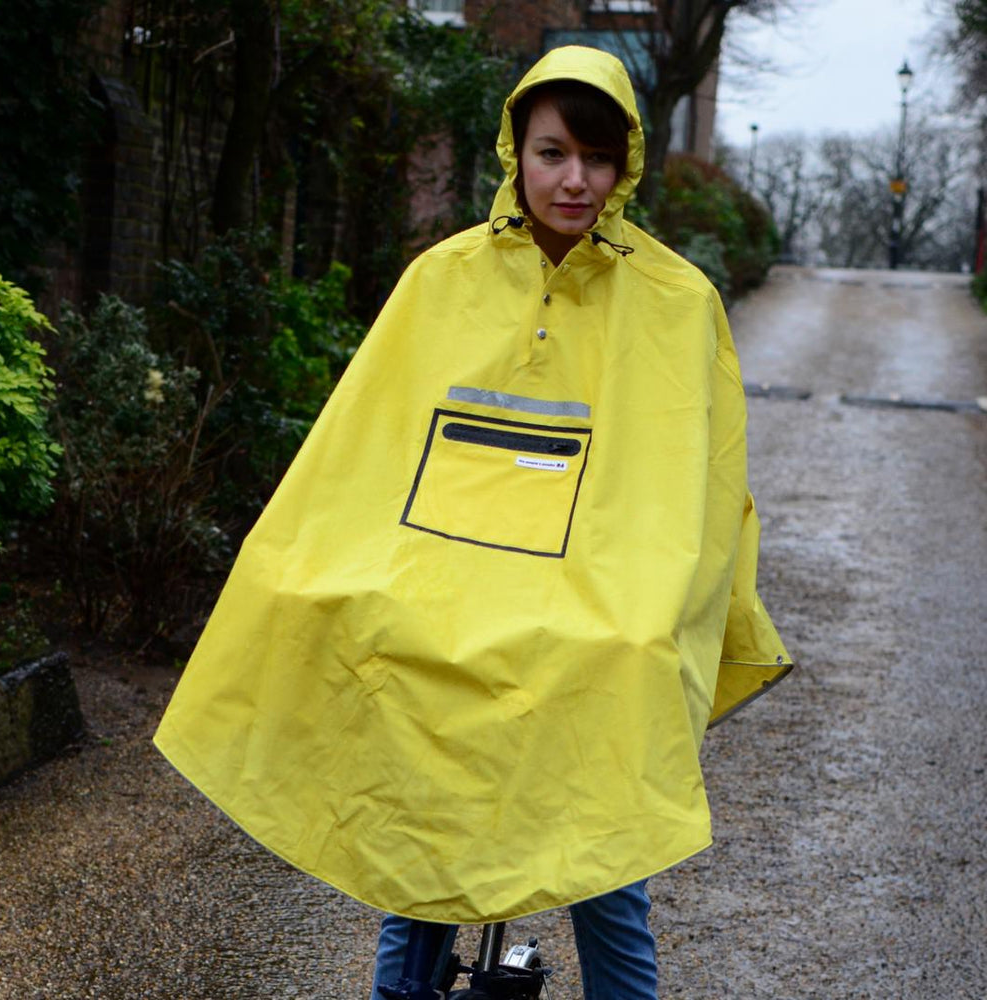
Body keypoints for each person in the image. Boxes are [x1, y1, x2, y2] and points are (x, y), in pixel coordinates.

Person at [154, 46, 791, 1000]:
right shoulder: (440, 282)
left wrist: (650, 614)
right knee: (427, 834)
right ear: (513, 153)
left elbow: (697, 494)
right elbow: (360, 452)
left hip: (590, 632)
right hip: (448, 619)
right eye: (551, 153)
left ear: (628, 166)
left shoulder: (678, 303)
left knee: (606, 854)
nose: (574, 180)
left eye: (597, 157)